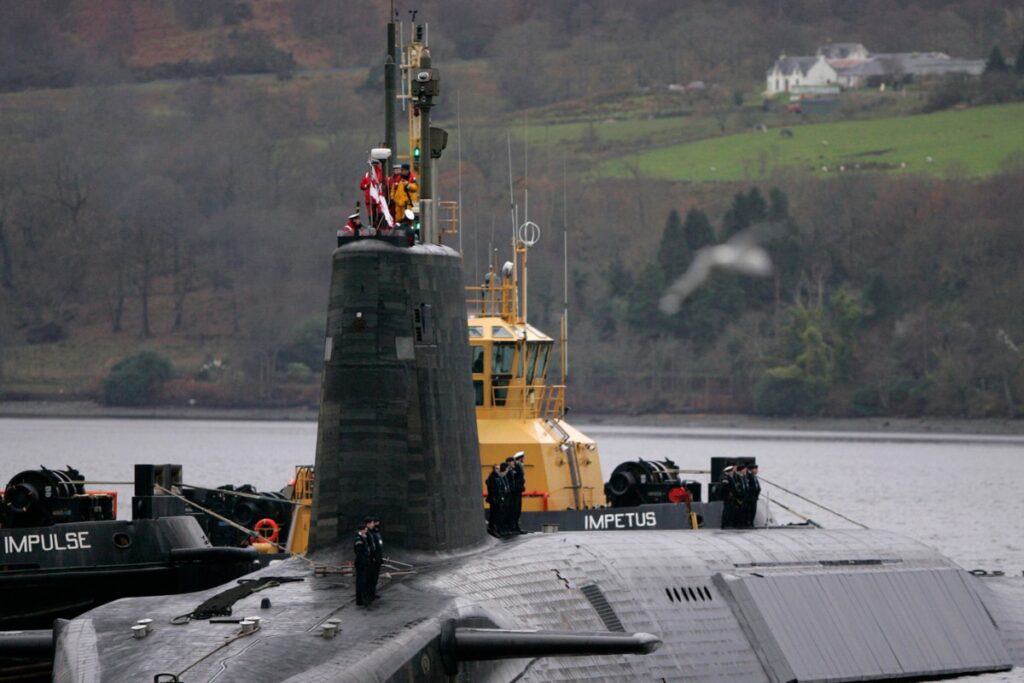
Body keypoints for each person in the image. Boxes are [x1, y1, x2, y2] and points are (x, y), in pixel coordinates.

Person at [360, 159, 386, 229]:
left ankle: (378, 226)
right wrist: (367, 186)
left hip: (377, 198)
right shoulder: (368, 174)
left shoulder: (380, 173)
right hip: (369, 198)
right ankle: (372, 225)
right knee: (371, 214)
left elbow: (380, 183)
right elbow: (362, 185)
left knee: (379, 212)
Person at [353, 522, 372, 606]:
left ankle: (363, 598)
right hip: (361, 562)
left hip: (364, 562)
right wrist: (365, 558)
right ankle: (360, 600)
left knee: (363, 581)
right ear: (362, 530)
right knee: (360, 582)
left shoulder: (363, 537)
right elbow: (359, 552)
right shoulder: (359, 539)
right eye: (365, 529)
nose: (366, 530)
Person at [485, 464, 507, 537]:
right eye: (497, 468)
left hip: (498, 498)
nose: (498, 470)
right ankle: (492, 528)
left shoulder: (498, 477)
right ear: (494, 469)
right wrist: (494, 498)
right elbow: (492, 489)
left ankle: (496, 528)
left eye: (499, 468)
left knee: (498, 514)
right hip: (494, 499)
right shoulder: (492, 478)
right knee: (493, 514)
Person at [508, 452, 526, 534]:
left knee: (518, 510)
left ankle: (516, 527)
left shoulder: (519, 466)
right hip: (514, 492)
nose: (524, 459)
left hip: (518, 491)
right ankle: (513, 528)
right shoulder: (515, 467)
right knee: (514, 510)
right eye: (523, 457)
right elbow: (515, 479)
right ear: (520, 458)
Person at [367, 517, 384, 600]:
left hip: (377, 557)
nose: (376, 525)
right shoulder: (369, 533)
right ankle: (369, 593)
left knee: (375, 577)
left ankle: (372, 593)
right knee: (371, 577)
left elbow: (379, 547)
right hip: (372, 559)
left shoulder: (376, 532)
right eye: (374, 523)